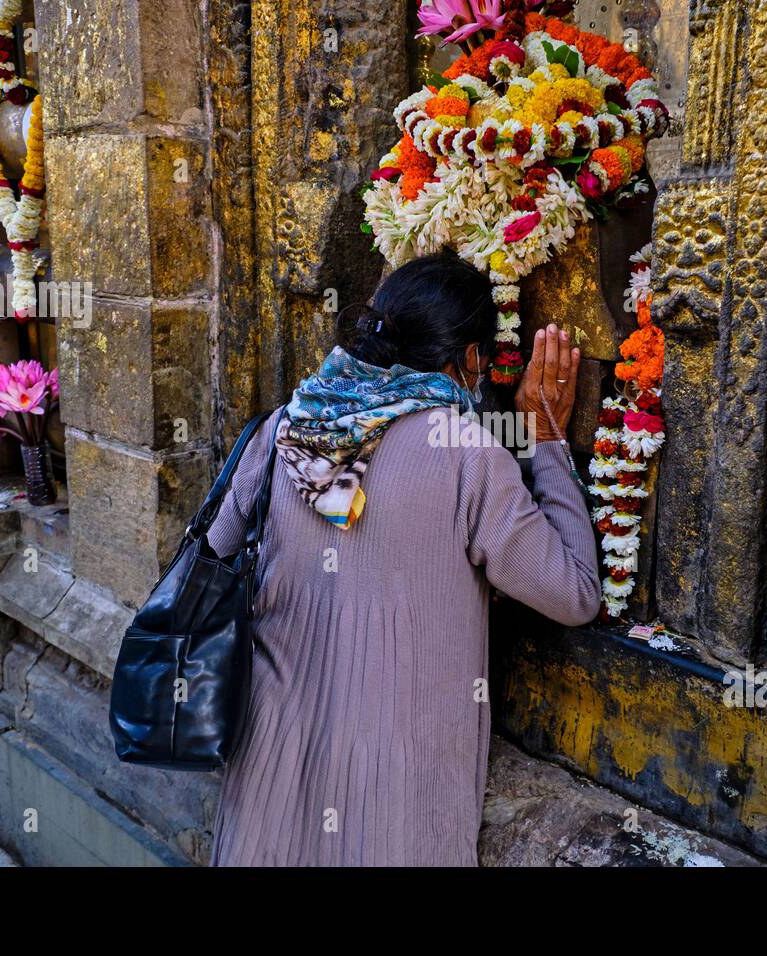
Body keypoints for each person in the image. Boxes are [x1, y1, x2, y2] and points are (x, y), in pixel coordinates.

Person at [207, 251, 600, 866]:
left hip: (269, 772)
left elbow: (214, 553)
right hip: (398, 801)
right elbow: (574, 594)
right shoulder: (467, 455)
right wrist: (546, 435)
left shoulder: (281, 429)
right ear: (469, 360)